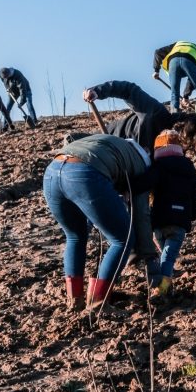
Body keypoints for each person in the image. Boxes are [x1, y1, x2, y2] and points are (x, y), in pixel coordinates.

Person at [43, 133, 155, 312]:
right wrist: (148, 255)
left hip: (52, 173)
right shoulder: (143, 165)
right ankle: (98, 303)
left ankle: (75, 300)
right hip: (84, 174)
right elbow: (140, 215)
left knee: (75, 237)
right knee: (122, 239)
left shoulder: (112, 144)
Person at [80, 81, 196, 154]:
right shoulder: (155, 112)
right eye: (189, 144)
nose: (186, 149)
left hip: (122, 163)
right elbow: (128, 90)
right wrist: (98, 91)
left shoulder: (171, 149)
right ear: (184, 131)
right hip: (106, 140)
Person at [144, 129, 196, 297]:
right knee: (168, 258)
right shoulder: (188, 165)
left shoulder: (155, 167)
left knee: (165, 255)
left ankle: (163, 287)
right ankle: (162, 290)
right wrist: (192, 214)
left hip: (159, 219)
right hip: (180, 219)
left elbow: (146, 187)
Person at [153, 42, 196, 117]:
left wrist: (156, 70)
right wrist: (186, 96)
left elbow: (157, 52)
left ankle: (175, 119)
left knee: (174, 93)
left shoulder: (177, 45)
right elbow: (193, 80)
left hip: (173, 63)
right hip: (189, 61)